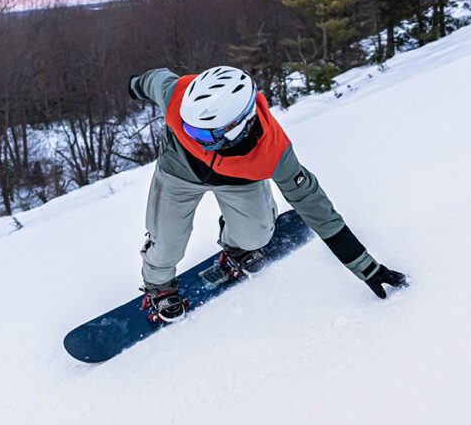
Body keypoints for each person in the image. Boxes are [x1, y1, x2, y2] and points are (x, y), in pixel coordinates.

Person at [129, 66, 408, 322]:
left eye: (201, 134)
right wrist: (134, 84)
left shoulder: (273, 153)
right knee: (167, 244)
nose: (190, 135)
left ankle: (237, 243)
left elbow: (318, 209)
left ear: (236, 128)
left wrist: (366, 267)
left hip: (240, 179)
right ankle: (159, 286)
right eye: (189, 128)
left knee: (256, 236)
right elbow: (154, 79)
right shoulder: (179, 98)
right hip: (178, 174)